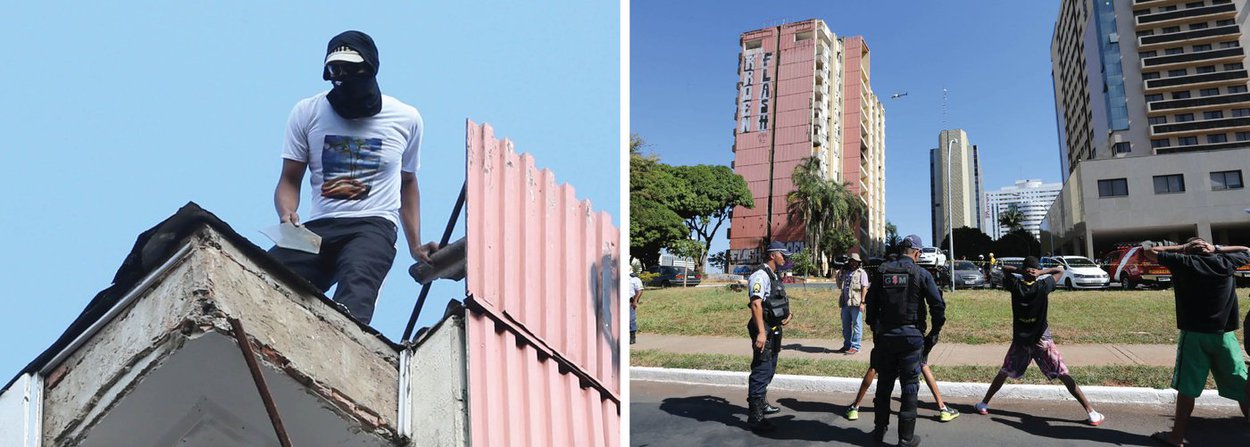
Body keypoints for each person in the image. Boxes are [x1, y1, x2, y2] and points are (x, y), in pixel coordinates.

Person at [269, 30, 436, 325]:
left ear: (369, 68)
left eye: (351, 68)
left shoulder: (406, 118)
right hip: (318, 227)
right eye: (336, 69)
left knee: (355, 292)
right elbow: (289, 179)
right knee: (267, 275)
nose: (343, 76)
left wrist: (415, 245)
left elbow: (407, 182)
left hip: (372, 225)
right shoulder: (307, 112)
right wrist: (286, 214)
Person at [1142, 238, 1250, 447]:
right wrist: (1216, 248)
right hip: (1225, 335)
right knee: (1240, 380)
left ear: (1189, 250)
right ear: (1208, 249)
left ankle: (1176, 437)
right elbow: (1247, 249)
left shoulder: (1183, 262)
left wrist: (1182, 249)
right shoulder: (1225, 262)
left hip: (1194, 336)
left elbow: (1148, 251)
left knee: (1187, 387)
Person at [972, 256, 1104, 426]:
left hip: (1021, 340)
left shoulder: (1015, 285)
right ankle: (1091, 412)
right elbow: (1060, 270)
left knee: (1005, 371)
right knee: (1063, 373)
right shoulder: (1043, 285)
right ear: (1036, 271)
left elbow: (1004, 269)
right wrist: (1041, 272)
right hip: (1042, 339)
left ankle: (983, 404)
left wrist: (1022, 271)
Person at [864, 234, 945, 446]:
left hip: (886, 339)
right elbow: (938, 306)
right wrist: (933, 334)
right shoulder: (921, 273)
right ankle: (905, 439)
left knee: (884, 385)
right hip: (911, 339)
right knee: (909, 388)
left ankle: (878, 432)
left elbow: (870, 305)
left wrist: (875, 329)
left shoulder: (882, 271)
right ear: (917, 253)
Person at [745, 241, 795, 433]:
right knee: (761, 369)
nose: (786, 258)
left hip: (773, 328)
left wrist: (787, 314)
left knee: (770, 367)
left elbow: (776, 300)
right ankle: (755, 417)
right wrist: (761, 332)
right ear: (773, 255)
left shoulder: (774, 275)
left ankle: (762, 403)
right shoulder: (760, 275)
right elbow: (756, 305)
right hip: (764, 329)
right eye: (783, 255)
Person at [845, 364, 960, 423]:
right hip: (911, 335)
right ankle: (943, 408)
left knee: (874, 366)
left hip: (887, 334)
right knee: (923, 365)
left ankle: (855, 407)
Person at [837, 253, 869, 355]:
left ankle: (855, 346)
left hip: (856, 303)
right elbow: (839, 286)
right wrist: (839, 274)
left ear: (858, 263)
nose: (853, 264)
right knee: (846, 326)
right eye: (852, 261)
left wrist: (863, 302)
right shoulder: (845, 273)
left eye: (855, 262)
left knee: (857, 325)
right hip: (845, 304)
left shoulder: (861, 273)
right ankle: (847, 345)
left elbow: (864, 288)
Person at [630, 266, 644, 344]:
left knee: (631, 320)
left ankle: (632, 337)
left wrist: (635, 301)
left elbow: (640, 291)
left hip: (630, 302)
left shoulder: (635, 279)